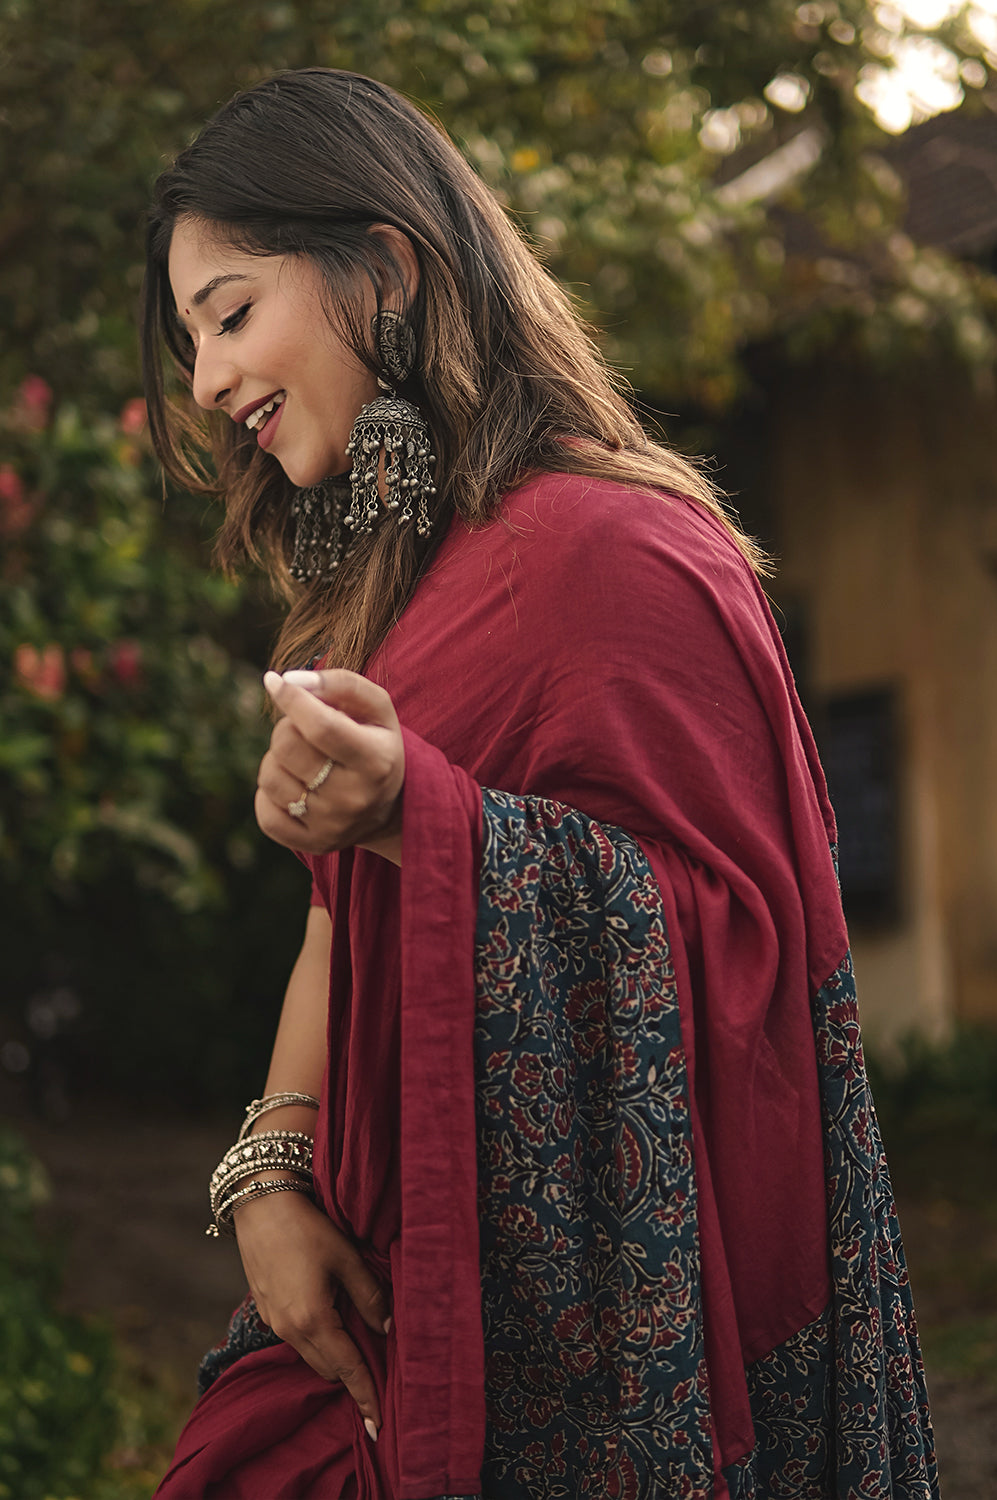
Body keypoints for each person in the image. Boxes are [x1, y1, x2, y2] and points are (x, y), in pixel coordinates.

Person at [141, 67, 938, 1500]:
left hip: (576, 1373)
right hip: (379, 1304)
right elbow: (340, 923)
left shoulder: (617, 553)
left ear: (382, 266)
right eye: (192, 338)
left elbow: (751, 961)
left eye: (231, 314)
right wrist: (269, 1177)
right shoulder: (392, 583)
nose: (204, 382)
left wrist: (422, 821)